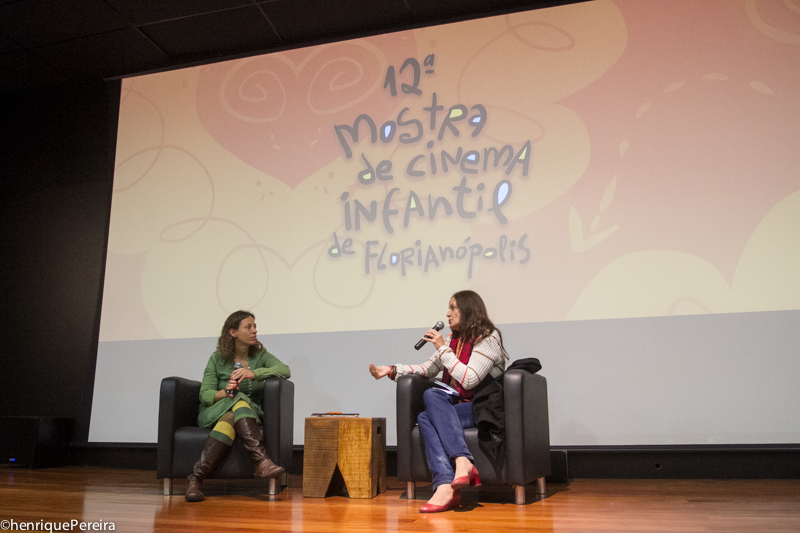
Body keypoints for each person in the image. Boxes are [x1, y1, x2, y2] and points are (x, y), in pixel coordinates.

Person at [369, 290, 508, 513]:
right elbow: (427, 369)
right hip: (459, 404)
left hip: (483, 406)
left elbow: (469, 379)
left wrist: (443, 348)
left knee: (426, 415)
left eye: (453, 308)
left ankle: (449, 478)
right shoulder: (453, 339)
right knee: (431, 398)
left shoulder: (488, 338)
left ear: (468, 309)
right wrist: (391, 370)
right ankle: (452, 474)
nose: (447, 314)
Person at [185, 310, 291, 502]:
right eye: (248, 327)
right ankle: (261, 461)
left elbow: (285, 370)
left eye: (255, 326)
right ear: (233, 332)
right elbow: (205, 394)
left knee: (235, 410)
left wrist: (254, 374)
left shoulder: (260, 356)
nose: (254, 331)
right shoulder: (217, 359)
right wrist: (225, 392)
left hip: (249, 411)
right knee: (236, 400)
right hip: (216, 411)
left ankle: (196, 478)